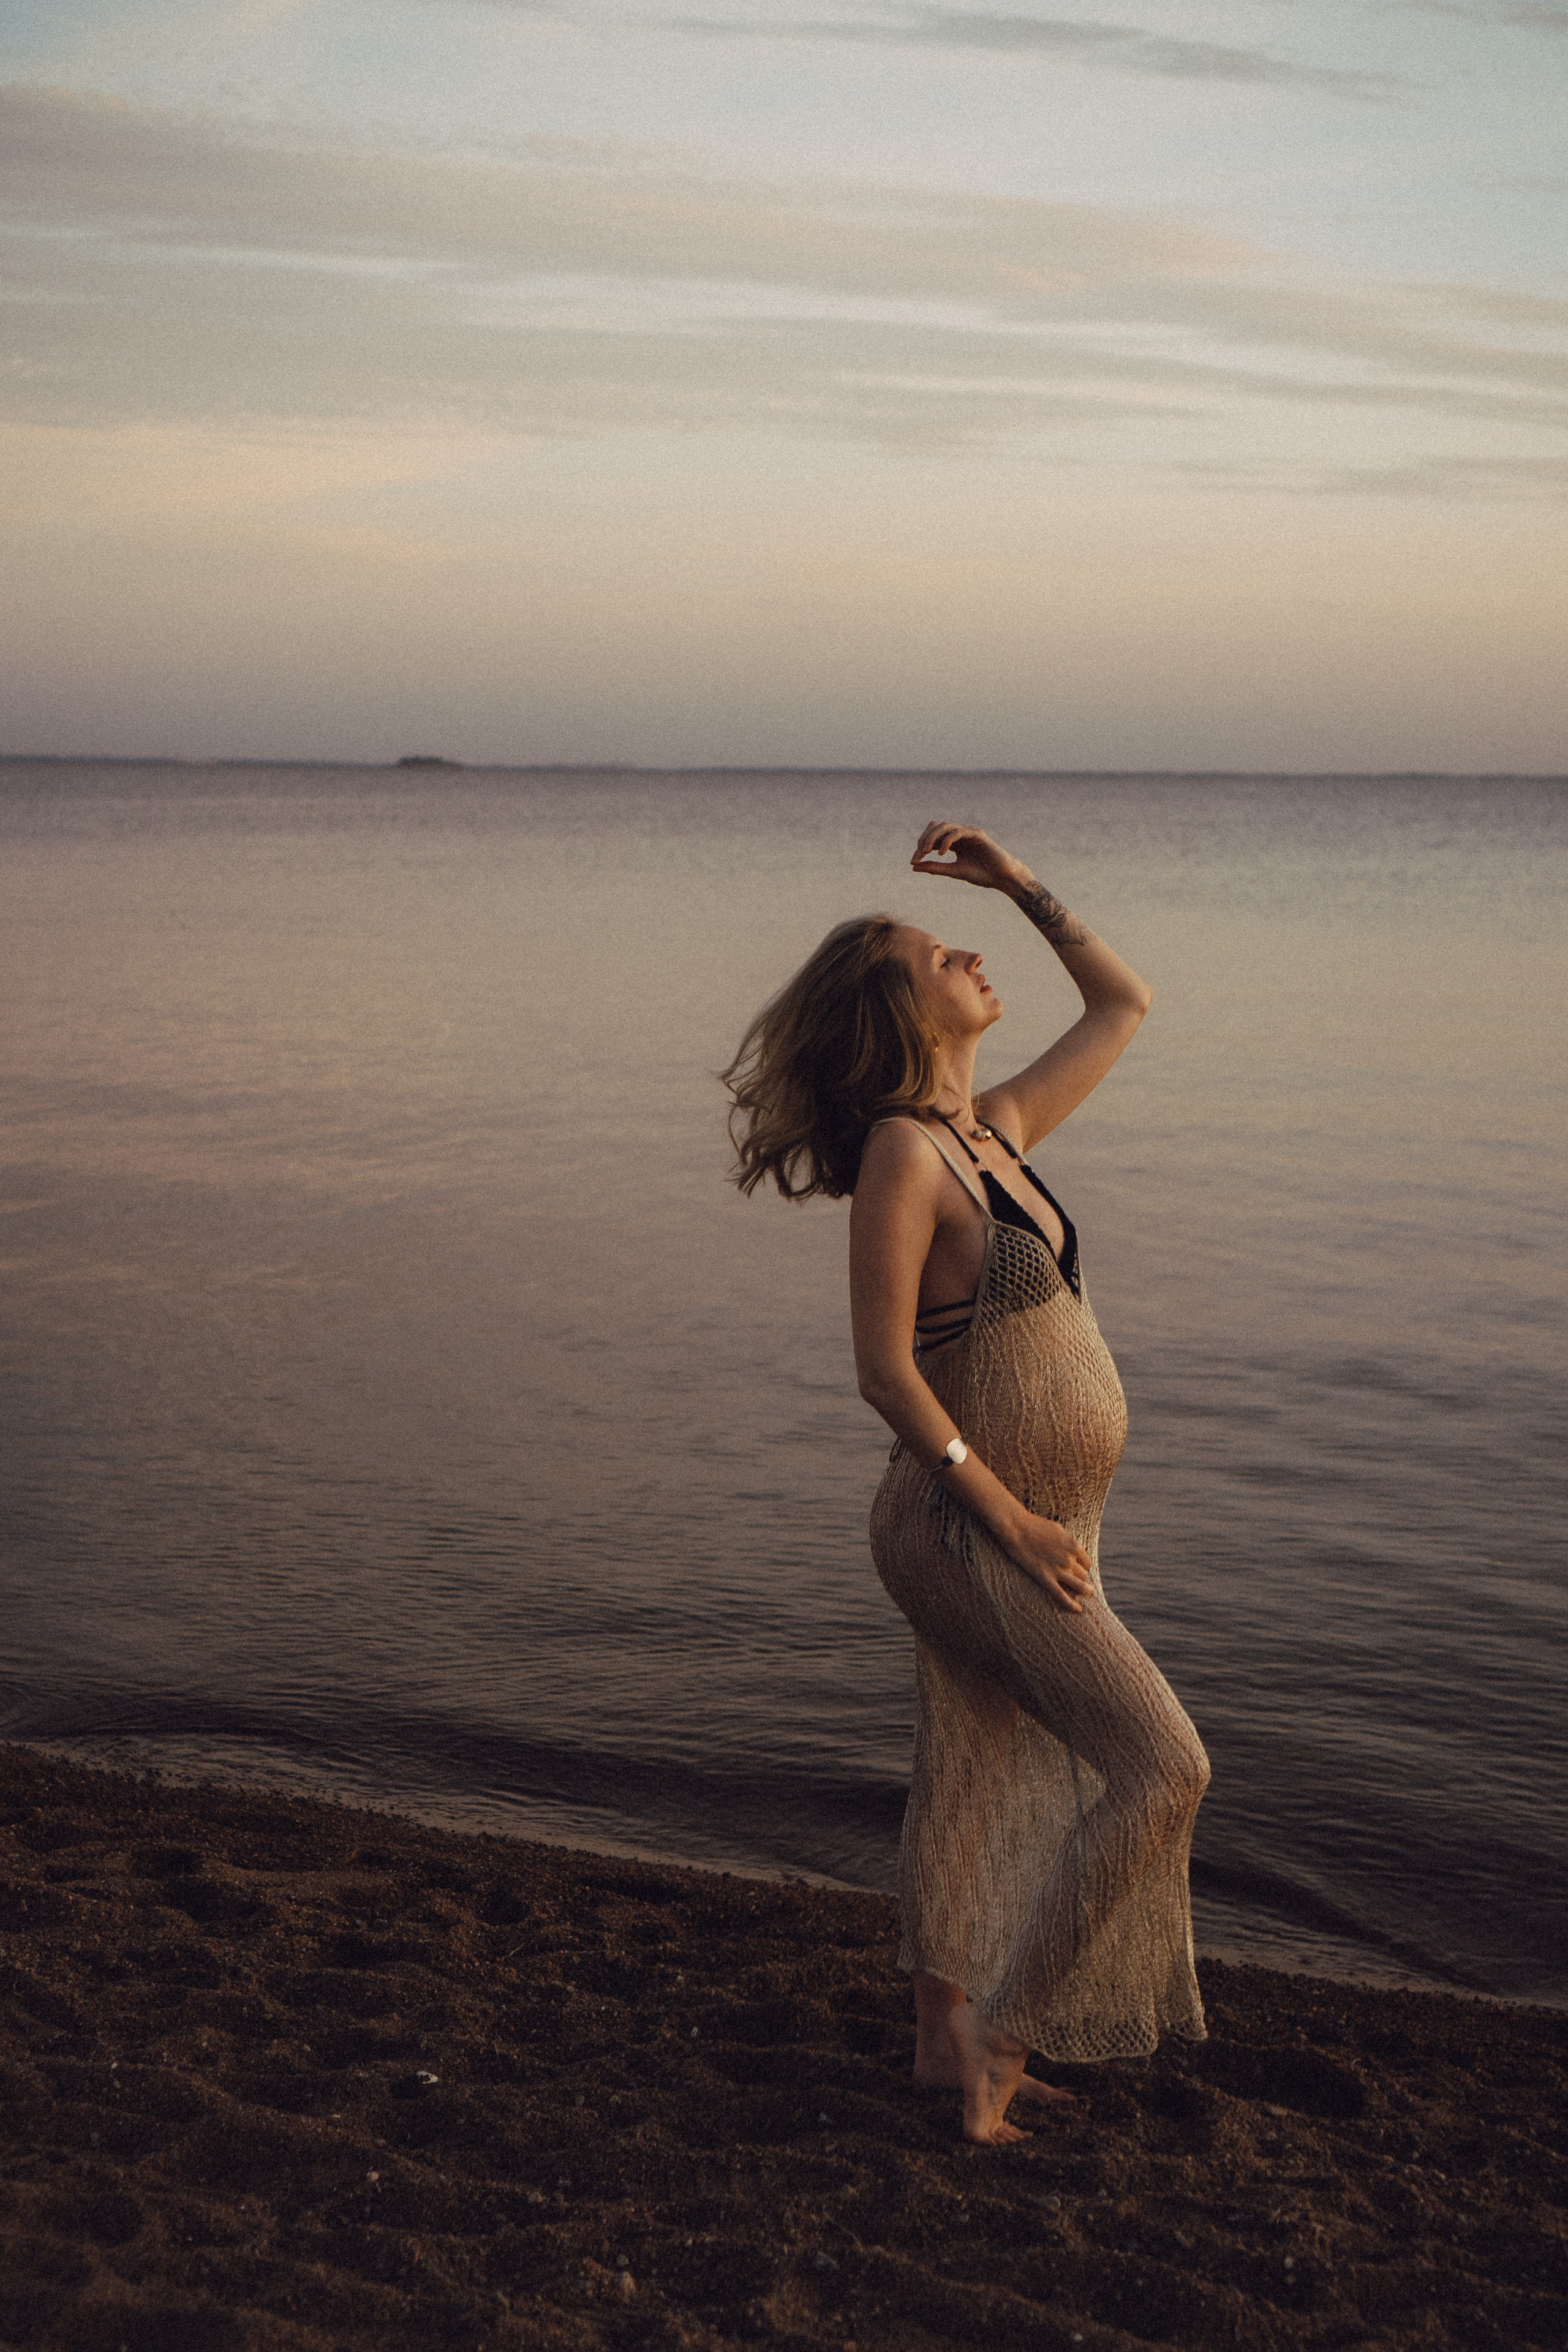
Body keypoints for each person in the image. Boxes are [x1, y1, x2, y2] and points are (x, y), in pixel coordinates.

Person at [724, 819, 1210, 2146]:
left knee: (972, 1763)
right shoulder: (905, 1153)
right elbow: (885, 1372)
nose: (970, 955)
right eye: (941, 953)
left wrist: (1017, 884)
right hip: (967, 1525)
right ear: (898, 1010)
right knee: (1164, 1768)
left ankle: (942, 2046)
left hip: (1038, 1519)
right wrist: (1006, 1518)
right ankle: (1003, 2035)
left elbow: (1123, 1002)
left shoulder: (991, 1130)